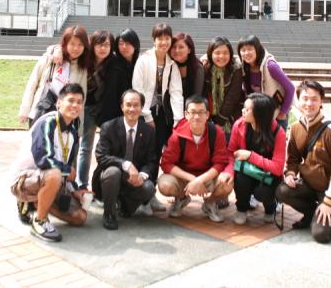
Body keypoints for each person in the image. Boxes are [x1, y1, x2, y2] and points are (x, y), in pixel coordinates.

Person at [9, 83, 88, 243]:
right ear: (59, 103)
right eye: (71, 100)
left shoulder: (73, 133)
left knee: (80, 217)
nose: (75, 105)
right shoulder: (48, 122)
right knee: (54, 174)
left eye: (79, 102)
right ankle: (40, 221)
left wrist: (75, 190)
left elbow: (66, 166)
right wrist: (67, 171)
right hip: (24, 180)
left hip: (50, 181)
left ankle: (36, 204)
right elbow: (43, 159)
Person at [276, 80, 331, 244]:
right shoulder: (296, 127)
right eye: (305, 99)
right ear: (298, 100)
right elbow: (293, 158)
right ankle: (312, 213)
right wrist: (290, 174)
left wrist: (329, 202)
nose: (309, 104)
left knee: (320, 234)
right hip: (309, 185)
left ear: (321, 101)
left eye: (314, 99)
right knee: (282, 191)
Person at [132, 23, 184, 213]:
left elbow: (176, 93)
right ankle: (140, 197)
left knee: (157, 154)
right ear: (153, 40)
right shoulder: (143, 60)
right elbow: (137, 89)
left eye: (167, 38)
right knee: (143, 154)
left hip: (163, 114)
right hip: (143, 112)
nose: (163, 42)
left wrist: (178, 120)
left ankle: (150, 195)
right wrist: (146, 115)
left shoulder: (171, 64)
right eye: (159, 38)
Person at [158, 95, 232, 222]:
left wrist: (200, 180)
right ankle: (181, 198)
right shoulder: (177, 135)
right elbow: (166, 163)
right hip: (184, 177)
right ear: (186, 114)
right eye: (192, 112)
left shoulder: (217, 132)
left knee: (227, 184)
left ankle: (210, 203)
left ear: (207, 114)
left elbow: (220, 162)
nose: (196, 117)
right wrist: (193, 179)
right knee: (165, 185)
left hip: (208, 177)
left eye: (201, 112)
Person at [92, 89, 157, 230]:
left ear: (142, 108)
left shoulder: (148, 131)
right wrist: (125, 164)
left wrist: (142, 175)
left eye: (136, 105)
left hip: (133, 179)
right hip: (111, 177)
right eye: (128, 105)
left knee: (149, 187)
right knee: (113, 172)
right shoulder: (108, 127)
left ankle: (125, 208)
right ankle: (109, 215)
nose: (132, 109)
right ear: (122, 106)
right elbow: (101, 156)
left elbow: (151, 161)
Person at [225, 93, 286, 225]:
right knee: (240, 177)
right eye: (244, 107)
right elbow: (230, 152)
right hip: (247, 171)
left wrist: (250, 156)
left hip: (269, 175)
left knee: (262, 192)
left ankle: (271, 209)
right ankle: (241, 209)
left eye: (247, 109)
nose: (243, 111)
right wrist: (229, 172)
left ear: (260, 113)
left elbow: (278, 168)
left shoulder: (278, 132)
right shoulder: (239, 125)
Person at [18, 26, 89, 127]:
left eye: (80, 44)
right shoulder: (49, 58)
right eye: (72, 44)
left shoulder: (82, 67)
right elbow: (32, 83)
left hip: (66, 117)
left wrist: (79, 127)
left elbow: (81, 97)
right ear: (65, 43)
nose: (76, 48)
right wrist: (25, 110)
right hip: (41, 111)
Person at [76, 30, 114, 190]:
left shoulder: (112, 62)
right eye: (99, 44)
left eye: (106, 45)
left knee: (96, 148)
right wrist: (53, 50)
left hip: (101, 109)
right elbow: (63, 49)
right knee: (81, 146)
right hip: (82, 106)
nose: (103, 48)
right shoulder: (84, 58)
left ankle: (94, 185)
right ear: (92, 45)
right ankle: (78, 184)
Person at [237, 35, 295, 131]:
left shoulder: (270, 66)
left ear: (257, 49)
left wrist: (282, 113)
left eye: (250, 49)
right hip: (257, 114)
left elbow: (290, 88)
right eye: (243, 50)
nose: (246, 53)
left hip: (275, 114)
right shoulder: (244, 67)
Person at [97, 28, 141, 127]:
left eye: (128, 43)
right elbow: (110, 97)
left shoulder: (139, 64)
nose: (124, 47)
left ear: (135, 44)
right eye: (121, 43)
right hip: (115, 117)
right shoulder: (113, 64)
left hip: (133, 113)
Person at [202, 36, 244, 136]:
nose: (221, 56)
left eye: (225, 53)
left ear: (230, 54)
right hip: (209, 116)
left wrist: (220, 119)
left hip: (231, 116)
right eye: (217, 53)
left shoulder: (236, 68)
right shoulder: (205, 67)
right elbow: (203, 94)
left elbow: (233, 97)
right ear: (210, 54)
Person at [170, 32, 205, 100]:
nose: (177, 50)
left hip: (192, 104)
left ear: (189, 50)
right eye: (174, 47)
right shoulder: (168, 66)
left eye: (181, 47)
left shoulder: (197, 68)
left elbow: (197, 96)